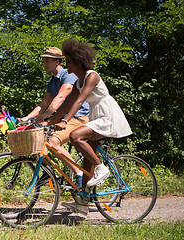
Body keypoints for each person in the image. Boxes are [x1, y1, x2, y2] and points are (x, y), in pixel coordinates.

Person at [48, 38, 132, 190]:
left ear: (79, 62)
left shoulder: (91, 76)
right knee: (87, 162)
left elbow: (79, 101)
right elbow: (67, 105)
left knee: (75, 136)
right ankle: (84, 202)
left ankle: (101, 168)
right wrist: (48, 122)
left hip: (107, 115)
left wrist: (65, 121)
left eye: (69, 62)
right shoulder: (77, 82)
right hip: (96, 116)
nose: (66, 66)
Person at [21, 47, 89, 188]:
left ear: (57, 61)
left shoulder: (67, 75)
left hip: (79, 117)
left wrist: (46, 115)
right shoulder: (52, 82)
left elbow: (61, 96)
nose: (44, 64)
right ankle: (48, 172)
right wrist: (26, 118)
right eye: (44, 61)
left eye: (47, 61)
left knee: (52, 142)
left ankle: (78, 173)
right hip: (63, 118)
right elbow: (44, 104)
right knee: (38, 140)